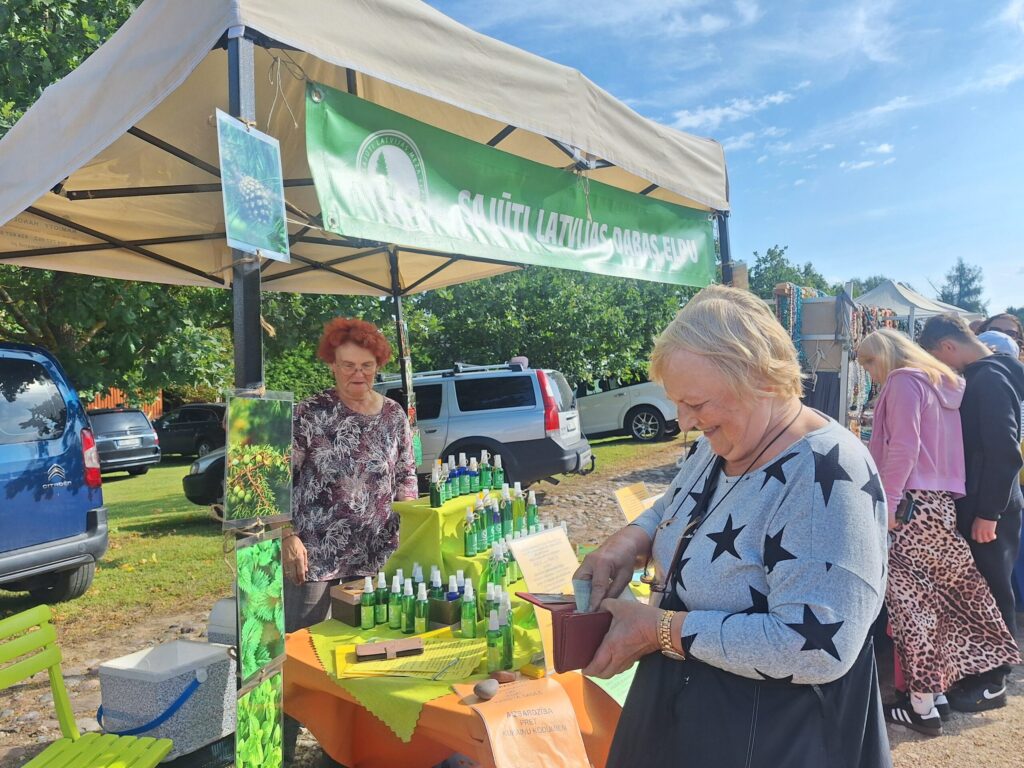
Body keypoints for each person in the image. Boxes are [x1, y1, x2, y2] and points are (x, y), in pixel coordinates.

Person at [578, 285, 891, 768]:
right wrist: (628, 542)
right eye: (677, 402)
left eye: (697, 403)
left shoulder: (826, 472)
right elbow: (673, 506)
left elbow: (816, 646)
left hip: (770, 737)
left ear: (760, 379)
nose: (684, 420)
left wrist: (661, 631)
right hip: (696, 712)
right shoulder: (724, 442)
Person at [857, 329, 1019, 733]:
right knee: (936, 604)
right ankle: (935, 694)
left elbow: (903, 447)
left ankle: (922, 706)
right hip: (941, 505)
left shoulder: (903, 381)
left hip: (908, 504)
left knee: (910, 607)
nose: (869, 373)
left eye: (869, 363)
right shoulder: (943, 384)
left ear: (885, 355)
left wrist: (888, 503)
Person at [283, 317, 418, 758]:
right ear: (332, 364)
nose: (357, 374)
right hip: (315, 554)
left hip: (376, 555)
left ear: (378, 365)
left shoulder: (394, 415)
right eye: (347, 365)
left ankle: (349, 750)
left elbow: (406, 476)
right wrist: (287, 534)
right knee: (298, 655)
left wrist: (410, 530)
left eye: (366, 365)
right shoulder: (310, 413)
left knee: (364, 655)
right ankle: (280, 751)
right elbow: (278, 477)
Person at [919, 313, 1024, 710]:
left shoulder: (990, 379)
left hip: (990, 507)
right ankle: (980, 671)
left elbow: (1005, 452)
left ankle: (995, 681)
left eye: (937, 357)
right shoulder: (988, 375)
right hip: (983, 502)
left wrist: (989, 513)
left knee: (993, 589)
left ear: (948, 346)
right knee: (980, 589)